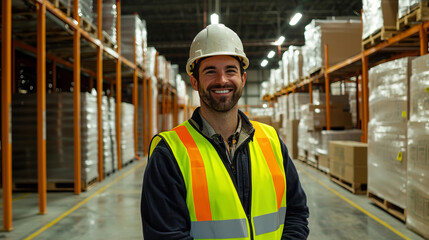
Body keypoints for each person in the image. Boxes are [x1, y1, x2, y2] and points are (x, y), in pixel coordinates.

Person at [141, 23, 309, 240]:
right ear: (194, 81)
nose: (222, 80)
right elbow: (165, 235)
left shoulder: (271, 140)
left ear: (243, 79)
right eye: (210, 71)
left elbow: (296, 214)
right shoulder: (169, 153)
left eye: (230, 70)